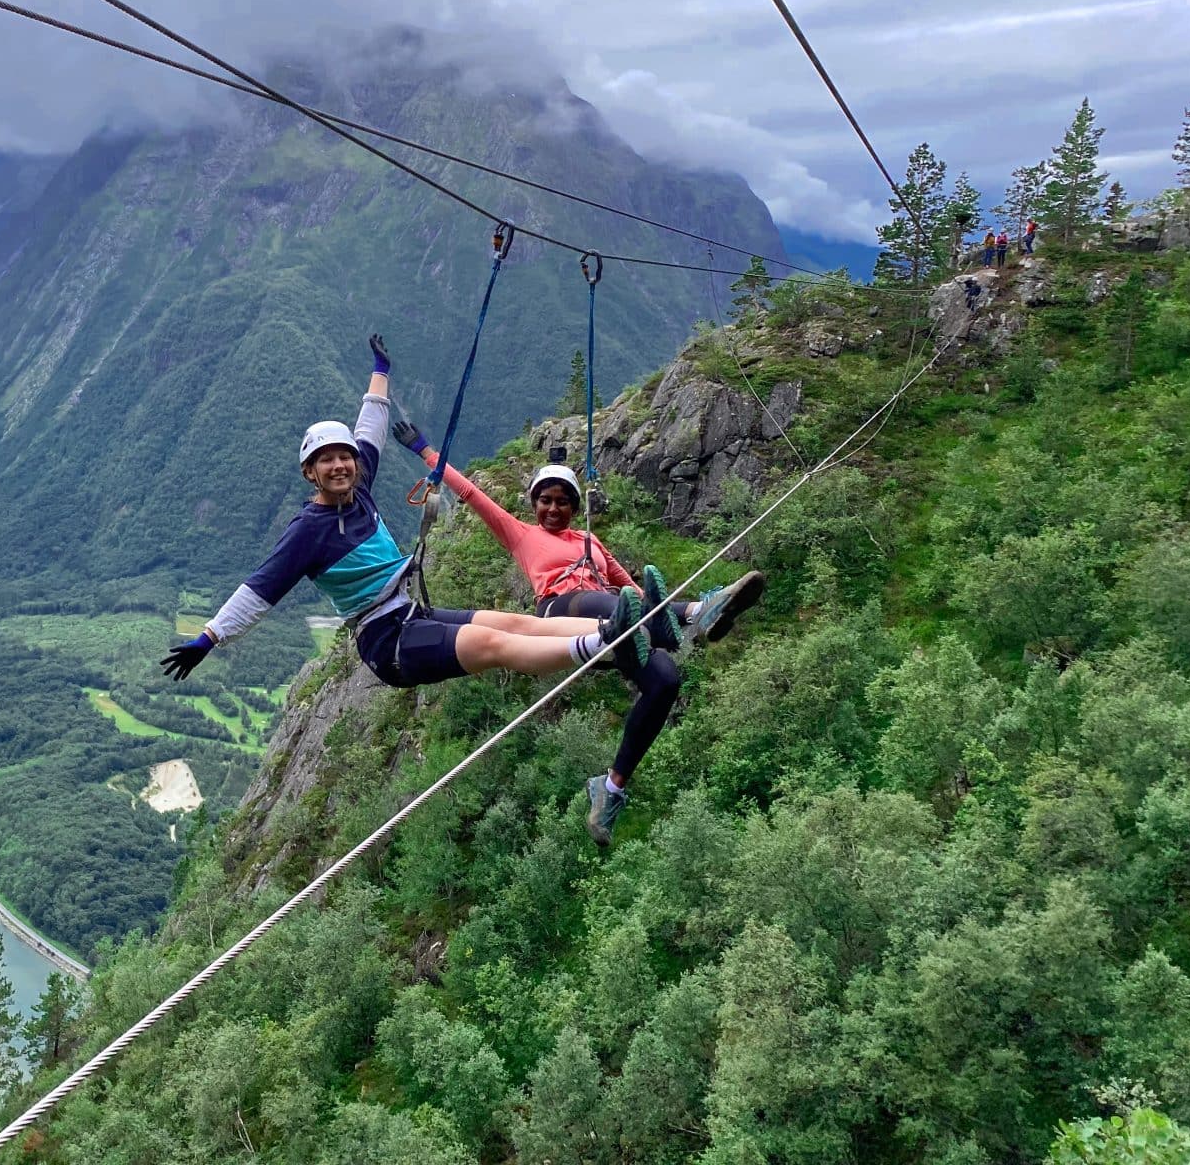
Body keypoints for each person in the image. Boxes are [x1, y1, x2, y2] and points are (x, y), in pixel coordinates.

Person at [159, 335, 657, 751]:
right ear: (309, 473)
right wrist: (209, 638)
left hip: (411, 612)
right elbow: (259, 590)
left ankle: (629, 625)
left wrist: (380, 372)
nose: (340, 465)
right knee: (492, 644)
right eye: (326, 461)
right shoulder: (307, 532)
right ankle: (606, 642)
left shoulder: (360, 484)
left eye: (344, 458)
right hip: (387, 639)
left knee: (515, 621)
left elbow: (369, 426)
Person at [385, 422, 766, 844]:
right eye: (545, 500)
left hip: (610, 617)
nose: (553, 508)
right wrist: (424, 449)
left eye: (563, 502)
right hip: (561, 610)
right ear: (533, 504)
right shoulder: (523, 535)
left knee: (664, 680)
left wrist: (647, 613)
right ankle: (700, 610)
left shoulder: (591, 542)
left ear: (573, 505)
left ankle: (610, 790)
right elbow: (474, 495)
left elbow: (630, 589)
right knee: (607, 603)